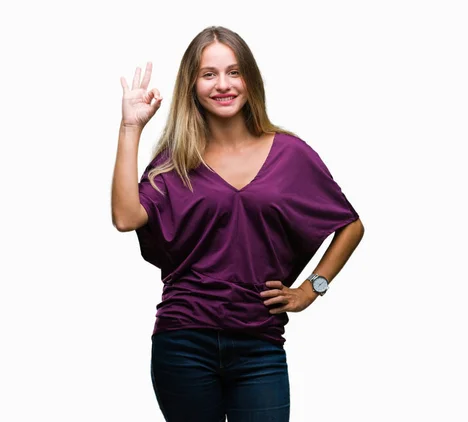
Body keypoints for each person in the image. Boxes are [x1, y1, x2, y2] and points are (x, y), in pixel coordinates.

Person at [111, 25, 364, 422]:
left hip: (259, 344)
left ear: (249, 78)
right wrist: (131, 128)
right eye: (208, 74)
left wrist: (310, 290)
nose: (223, 84)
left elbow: (350, 225)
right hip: (183, 341)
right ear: (192, 85)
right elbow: (126, 217)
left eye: (233, 72)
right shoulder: (175, 160)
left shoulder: (290, 153)